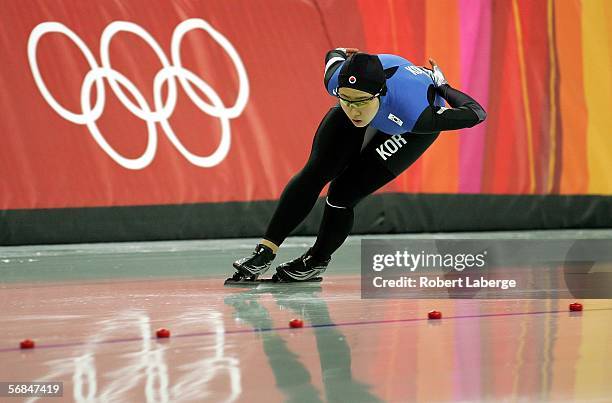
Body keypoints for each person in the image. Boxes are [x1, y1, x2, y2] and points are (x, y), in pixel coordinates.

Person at [231, 48, 486, 282]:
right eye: (346, 100)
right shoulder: (337, 82)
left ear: (380, 94)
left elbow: (476, 112)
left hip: (406, 127)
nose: (354, 110)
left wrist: (444, 87)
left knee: (343, 192)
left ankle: (317, 260)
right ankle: (264, 251)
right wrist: (344, 55)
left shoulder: (417, 115)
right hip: (374, 98)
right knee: (316, 171)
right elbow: (335, 54)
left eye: (360, 102)